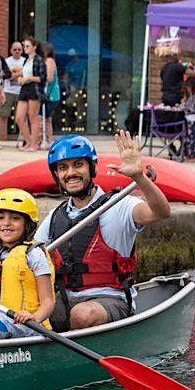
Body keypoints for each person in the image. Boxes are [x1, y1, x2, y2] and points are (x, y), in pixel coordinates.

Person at [35, 133, 171, 331]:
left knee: (82, 314)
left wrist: (138, 177)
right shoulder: (56, 216)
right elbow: (30, 256)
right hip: (64, 299)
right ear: (56, 174)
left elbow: (161, 212)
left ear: (93, 167)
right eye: (63, 168)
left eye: (78, 165)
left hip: (109, 301)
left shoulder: (119, 205)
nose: (70, 173)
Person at [0, 188, 55, 338]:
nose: (6, 223)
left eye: (15, 218)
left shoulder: (34, 254)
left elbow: (48, 302)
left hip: (29, 322)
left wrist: (34, 317)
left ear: (28, 223)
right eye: (0, 218)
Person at [15, 37, 45, 151]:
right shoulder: (25, 60)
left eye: (28, 46)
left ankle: (34, 144)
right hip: (24, 88)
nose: (25, 48)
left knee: (33, 117)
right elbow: (23, 73)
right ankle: (28, 141)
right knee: (19, 118)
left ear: (34, 47)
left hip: (34, 88)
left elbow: (42, 78)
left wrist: (28, 78)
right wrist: (21, 78)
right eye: (25, 46)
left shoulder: (38, 60)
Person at [0, 41, 24, 146]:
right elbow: (6, 76)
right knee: (2, 116)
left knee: (21, 117)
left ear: (22, 50)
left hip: (21, 92)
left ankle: (23, 140)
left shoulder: (25, 61)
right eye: (15, 49)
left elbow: (24, 76)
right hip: (7, 91)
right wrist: (18, 74)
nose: (17, 51)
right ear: (11, 50)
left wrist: (13, 74)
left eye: (19, 49)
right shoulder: (6, 61)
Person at [41, 42, 60, 145]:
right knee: (47, 119)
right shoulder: (48, 61)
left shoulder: (49, 61)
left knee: (43, 117)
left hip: (50, 94)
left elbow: (49, 78)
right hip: (51, 94)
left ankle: (46, 140)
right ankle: (49, 140)